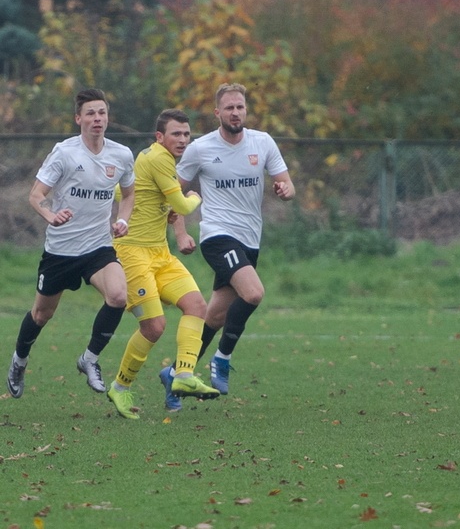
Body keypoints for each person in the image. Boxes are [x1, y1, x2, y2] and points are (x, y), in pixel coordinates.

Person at [7, 88, 135, 399]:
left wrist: (123, 220)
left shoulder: (121, 155)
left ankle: (89, 359)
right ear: (78, 118)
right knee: (41, 315)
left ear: (107, 118)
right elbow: (36, 195)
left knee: (118, 296)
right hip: (61, 251)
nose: (97, 119)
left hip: (98, 248)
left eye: (102, 113)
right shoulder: (65, 153)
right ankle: (18, 361)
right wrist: (50, 215)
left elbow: (129, 194)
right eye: (90, 113)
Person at [173, 82, 295, 397]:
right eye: (229, 107)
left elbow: (287, 184)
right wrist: (182, 232)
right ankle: (222, 358)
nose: (235, 112)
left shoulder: (263, 143)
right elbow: (172, 193)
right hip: (216, 235)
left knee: (215, 315)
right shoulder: (200, 149)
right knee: (253, 293)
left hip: (249, 240)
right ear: (218, 113)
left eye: (240, 106)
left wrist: (284, 190)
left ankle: (176, 374)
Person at [106, 109, 221, 420]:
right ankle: (120, 385)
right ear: (160, 137)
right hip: (132, 255)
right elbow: (183, 204)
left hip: (160, 254)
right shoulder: (158, 159)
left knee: (197, 306)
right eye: (176, 134)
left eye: (186, 134)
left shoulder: (158, 160)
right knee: (154, 327)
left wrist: (157, 206)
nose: (183, 140)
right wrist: (195, 197)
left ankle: (183, 374)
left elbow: (128, 191)